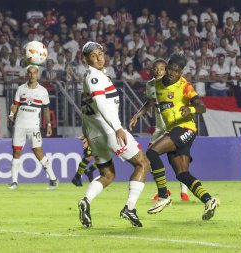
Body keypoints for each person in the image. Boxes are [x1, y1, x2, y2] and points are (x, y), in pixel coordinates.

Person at [77, 42, 150, 228]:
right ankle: (130, 208)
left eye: (100, 54)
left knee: (107, 174)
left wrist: (86, 134)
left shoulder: (95, 76)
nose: (99, 58)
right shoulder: (94, 77)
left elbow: (86, 110)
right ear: (86, 59)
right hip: (110, 131)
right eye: (93, 56)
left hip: (95, 135)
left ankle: (86, 200)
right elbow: (100, 104)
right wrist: (118, 127)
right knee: (142, 163)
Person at [142, 54, 219, 220]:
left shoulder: (184, 85)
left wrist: (190, 110)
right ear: (167, 67)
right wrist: (138, 114)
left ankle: (163, 196)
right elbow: (149, 101)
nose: (172, 73)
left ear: (180, 73)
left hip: (185, 128)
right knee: (182, 174)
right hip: (175, 130)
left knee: (152, 153)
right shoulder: (156, 84)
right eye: (170, 69)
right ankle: (209, 200)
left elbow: (202, 107)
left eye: (176, 71)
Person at [129, 58, 190, 202]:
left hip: (175, 125)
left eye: (161, 69)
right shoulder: (150, 85)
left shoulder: (176, 83)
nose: (158, 71)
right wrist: (137, 115)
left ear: (166, 69)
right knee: (149, 157)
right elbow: (150, 103)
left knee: (179, 159)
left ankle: (184, 191)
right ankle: (164, 190)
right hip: (160, 127)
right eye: (155, 69)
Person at [8, 65, 58, 190]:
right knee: (16, 151)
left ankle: (53, 179)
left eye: (34, 73)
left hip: (34, 126)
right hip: (19, 125)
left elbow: (46, 109)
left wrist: (49, 124)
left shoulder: (42, 91)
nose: (32, 75)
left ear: (37, 74)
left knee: (38, 152)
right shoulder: (20, 89)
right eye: (30, 73)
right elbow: (15, 104)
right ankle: (14, 182)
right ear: (27, 74)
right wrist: (12, 113)